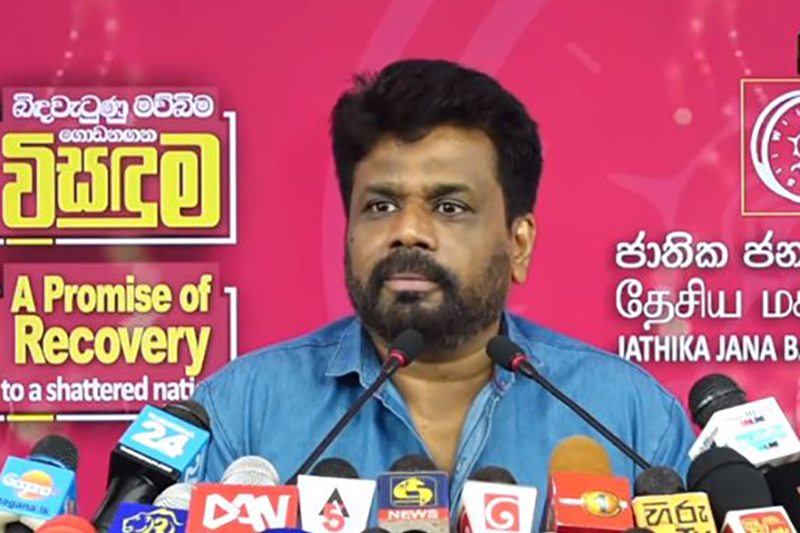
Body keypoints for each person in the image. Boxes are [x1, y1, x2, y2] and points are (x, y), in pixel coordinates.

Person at [193, 58, 695, 518]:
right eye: (381, 206)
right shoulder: (245, 412)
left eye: (449, 207)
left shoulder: (630, 418)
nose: (408, 231)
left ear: (518, 243)